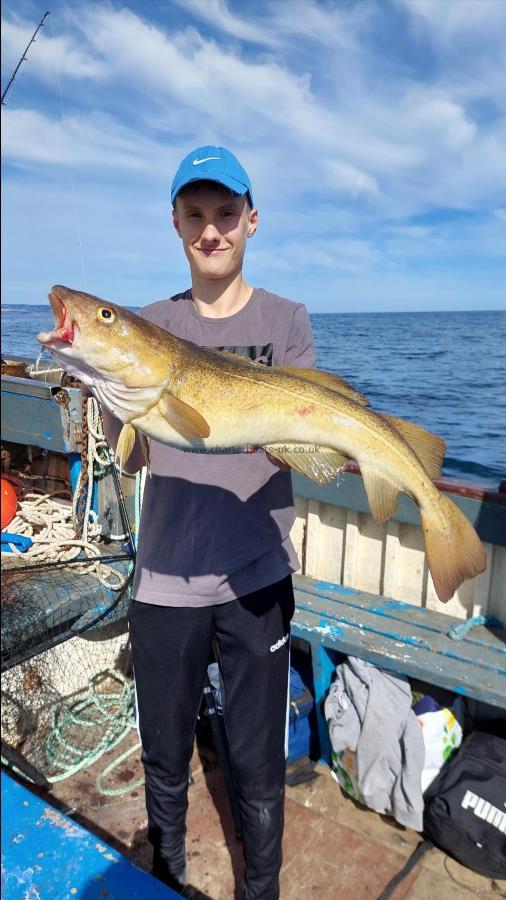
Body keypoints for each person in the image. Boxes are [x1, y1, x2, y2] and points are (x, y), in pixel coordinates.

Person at [103, 146, 316, 899]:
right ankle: (166, 880)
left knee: (259, 766)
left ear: (251, 220)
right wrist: (107, 389)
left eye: (226, 213)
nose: (212, 229)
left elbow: (303, 443)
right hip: (163, 579)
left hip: (256, 574)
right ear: (176, 224)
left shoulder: (285, 320)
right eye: (195, 214)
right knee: (165, 759)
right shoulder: (148, 327)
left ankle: (262, 891)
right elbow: (128, 460)